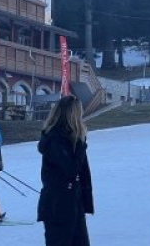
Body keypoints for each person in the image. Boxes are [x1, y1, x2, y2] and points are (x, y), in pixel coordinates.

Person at [38, 97, 94, 243]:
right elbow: (70, 170)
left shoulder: (72, 137)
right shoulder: (55, 138)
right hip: (57, 206)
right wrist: (81, 145)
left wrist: (85, 202)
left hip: (73, 204)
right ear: (73, 115)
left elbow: (83, 172)